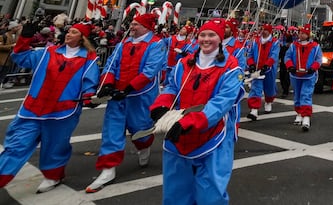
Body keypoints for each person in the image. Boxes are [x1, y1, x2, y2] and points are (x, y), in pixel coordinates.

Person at [149, 18, 245, 204]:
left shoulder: (231, 67)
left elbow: (221, 103)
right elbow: (172, 87)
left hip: (213, 135)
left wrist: (192, 121)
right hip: (179, 136)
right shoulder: (184, 63)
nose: (206, 39)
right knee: (175, 193)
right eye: (203, 34)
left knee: (211, 195)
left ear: (220, 39)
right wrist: (161, 105)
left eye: (212, 35)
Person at [0, 21, 99, 193]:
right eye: (68, 31)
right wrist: (24, 38)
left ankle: (53, 176)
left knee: (55, 146)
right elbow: (21, 57)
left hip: (63, 111)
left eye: (74, 32)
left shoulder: (89, 59)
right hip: (33, 109)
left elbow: (90, 81)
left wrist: (88, 97)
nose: (68, 34)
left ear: (82, 38)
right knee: (16, 146)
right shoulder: (47, 51)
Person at [86, 12, 167, 193]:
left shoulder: (156, 44)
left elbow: (150, 71)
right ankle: (108, 168)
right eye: (132, 23)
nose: (132, 26)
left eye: (136, 24)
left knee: (141, 128)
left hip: (140, 96)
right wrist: (107, 84)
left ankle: (144, 147)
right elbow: (111, 65)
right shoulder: (124, 44)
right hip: (117, 97)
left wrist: (128, 89)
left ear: (146, 27)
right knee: (112, 130)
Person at [284, 23, 322, 130]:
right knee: (297, 95)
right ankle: (299, 113)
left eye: (304, 33)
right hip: (296, 74)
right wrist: (290, 66)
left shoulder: (315, 46)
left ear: (308, 34)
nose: (301, 35)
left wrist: (313, 68)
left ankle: (306, 116)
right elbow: (287, 57)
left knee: (306, 95)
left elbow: (318, 59)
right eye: (300, 33)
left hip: (309, 75)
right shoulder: (293, 46)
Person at [245, 23, 280, 120]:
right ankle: (254, 110)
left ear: (269, 31)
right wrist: (251, 64)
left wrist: (267, 65)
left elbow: (274, 55)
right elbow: (250, 53)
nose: (263, 31)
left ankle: (268, 101)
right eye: (262, 29)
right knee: (256, 88)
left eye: (266, 30)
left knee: (269, 87)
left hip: (269, 69)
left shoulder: (274, 42)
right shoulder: (256, 41)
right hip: (257, 69)